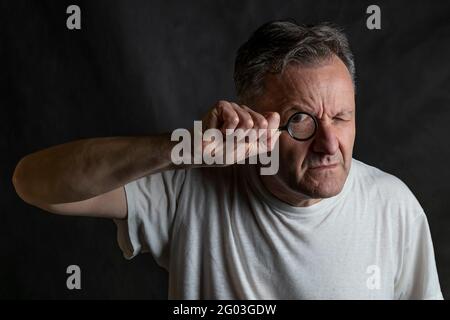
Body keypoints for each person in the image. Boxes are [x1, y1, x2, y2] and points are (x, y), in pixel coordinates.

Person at [12, 20, 443, 299]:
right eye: (302, 121)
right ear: (254, 117)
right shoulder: (188, 184)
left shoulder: (393, 206)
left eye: (342, 117)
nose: (329, 143)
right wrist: (180, 148)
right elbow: (32, 183)